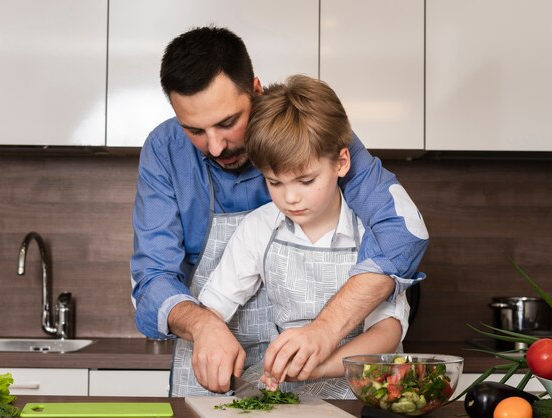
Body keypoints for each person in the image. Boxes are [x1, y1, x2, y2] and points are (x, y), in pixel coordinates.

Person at [130, 26, 429, 397]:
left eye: (227, 123)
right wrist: (203, 324)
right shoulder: (164, 150)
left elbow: (403, 232)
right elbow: (152, 279)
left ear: (255, 91)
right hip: (220, 363)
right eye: (195, 130)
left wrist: (323, 333)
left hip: (321, 373)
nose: (216, 146)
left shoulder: (310, 131)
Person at [198, 75, 410, 399]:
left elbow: (388, 331)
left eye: (305, 180)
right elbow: (213, 306)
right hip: (288, 400)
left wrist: (319, 366)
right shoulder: (258, 228)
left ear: (341, 162)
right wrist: (209, 336)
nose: (290, 198)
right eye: (275, 182)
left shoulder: (372, 229)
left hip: (364, 397)